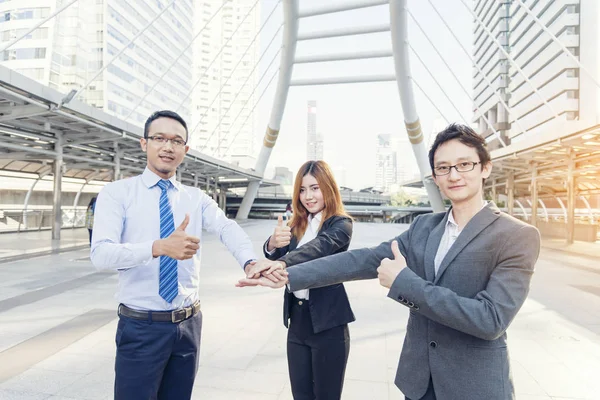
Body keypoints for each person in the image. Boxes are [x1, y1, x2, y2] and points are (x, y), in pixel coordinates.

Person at [238, 124, 541, 400]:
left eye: (464, 164)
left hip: (475, 387)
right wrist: (286, 271)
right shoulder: (424, 227)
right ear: (434, 177)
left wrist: (405, 283)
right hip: (418, 383)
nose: (454, 175)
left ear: (485, 167)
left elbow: (490, 320)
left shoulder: (516, 236)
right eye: (443, 168)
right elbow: (361, 260)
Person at [90, 110, 260, 400]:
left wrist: (250, 260)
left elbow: (225, 227)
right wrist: (157, 247)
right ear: (144, 144)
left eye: (176, 141)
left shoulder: (196, 198)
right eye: (160, 138)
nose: (168, 147)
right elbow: (101, 254)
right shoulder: (117, 193)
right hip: (141, 327)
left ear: (186, 149)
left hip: (188, 326)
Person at [245, 160, 355, 400]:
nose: (308, 196)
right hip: (297, 322)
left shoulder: (341, 224)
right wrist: (273, 245)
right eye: (303, 190)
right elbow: (280, 252)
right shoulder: (298, 224)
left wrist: (283, 262)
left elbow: (317, 249)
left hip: (328, 323)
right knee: (301, 395)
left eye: (315, 188)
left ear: (328, 187)